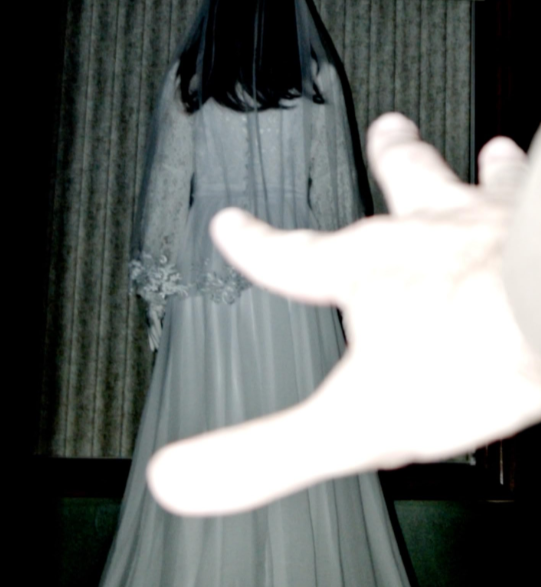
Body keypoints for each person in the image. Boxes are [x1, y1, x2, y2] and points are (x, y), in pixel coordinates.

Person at [100, 0, 411, 586]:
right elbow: (337, 195)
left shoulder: (190, 80)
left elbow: (165, 193)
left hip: (207, 264)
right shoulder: (317, 81)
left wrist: (157, 294)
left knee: (206, 410)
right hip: (292, 262)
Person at [146, 115, 541, 517]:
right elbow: (332, 180)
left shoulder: (188, 81)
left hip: (214, 248)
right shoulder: (315, 80)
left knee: (222, 390)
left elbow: (168, 179)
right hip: (283, 234)